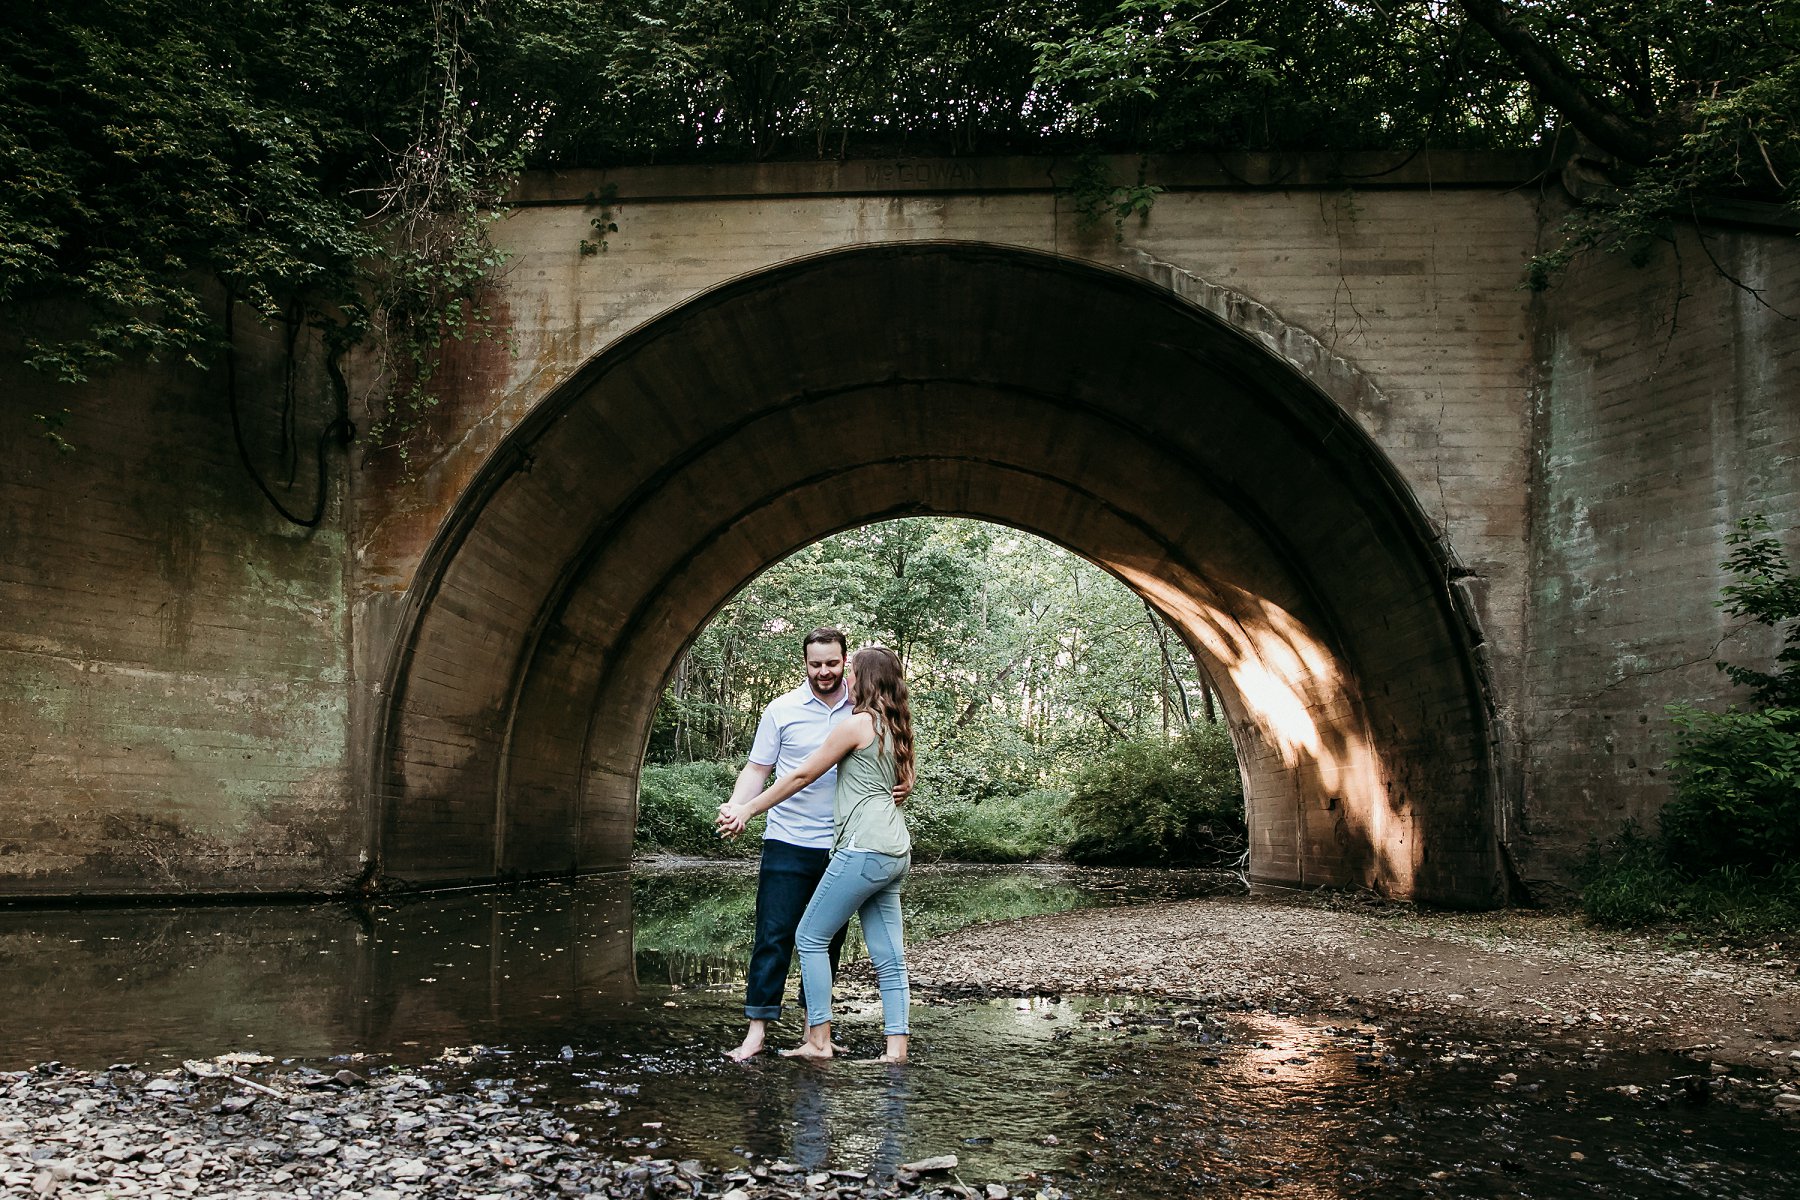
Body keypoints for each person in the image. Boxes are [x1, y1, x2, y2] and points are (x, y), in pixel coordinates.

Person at [718, 645, 915, 1064]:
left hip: (859, 848)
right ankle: (896, 1050)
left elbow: (805, 772)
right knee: (890, 956)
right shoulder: (896, 724)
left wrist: (749, 809)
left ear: (858, 675)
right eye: (818, 664)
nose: (840, 677)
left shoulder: (855, 722)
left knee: (809, 937)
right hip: (894, 849)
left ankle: (819, 1040)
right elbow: (897, 776)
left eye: (849, 670)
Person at [719, 628, 858, 1062]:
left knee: (828, 941)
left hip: (842, 844)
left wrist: (903, 783)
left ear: (844, 661)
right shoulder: (782, 709)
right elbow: (758, 768)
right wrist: (737, 805)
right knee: (773, 935)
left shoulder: (864, 707)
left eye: (831, 663)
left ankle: (815, 1034)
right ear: (805, 663)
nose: (823, 672)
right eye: (815, 664)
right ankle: (756, 1032)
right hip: (787, 839)